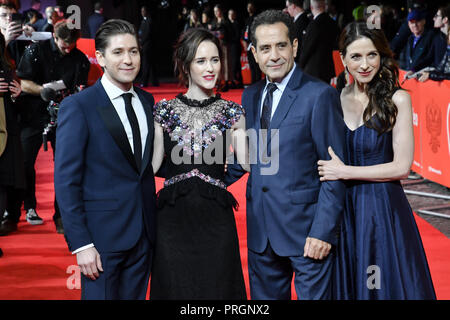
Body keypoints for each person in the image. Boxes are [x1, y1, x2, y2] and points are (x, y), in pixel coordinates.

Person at [225, 10, 346, 300]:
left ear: (294, 46)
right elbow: (251, 155)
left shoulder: (319, 96)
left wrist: (322, 232)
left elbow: (335, 172)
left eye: (281, 45)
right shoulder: (251, 95)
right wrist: (192, 175)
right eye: (265, 48)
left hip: (307, 236)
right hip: (261, 235)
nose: (274, 55)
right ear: (254, 53)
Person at [317, 22, 436, 300]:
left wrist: (345, 171)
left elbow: (402, 167)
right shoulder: (333, 98)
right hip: (344, 209)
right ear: (343, 58)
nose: (365, 64)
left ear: (382, 56)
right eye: (356, 56)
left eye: (372, 55)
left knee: (383, 284)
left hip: (382, 209)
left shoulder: (398, 100)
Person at [54, 19, 157, 300]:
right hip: (101, 241)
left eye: (134, 51)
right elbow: (66, 181)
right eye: (118, 52)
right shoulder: (79, 106)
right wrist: (81, 243)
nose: (128, 60)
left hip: (144, 234)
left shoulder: (148, 101)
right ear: (100, 57)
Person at [149, 28, 248, 299]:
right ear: (185, 64)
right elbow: (153, 165)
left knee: (217, 288)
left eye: (215, 60)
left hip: (216, 218)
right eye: (201, 61)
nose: (210, 68)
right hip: (173, 218)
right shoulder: (164, 110)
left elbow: (248, 163)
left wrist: (213, 179)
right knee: (175, 287)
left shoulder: (233, 112)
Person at [16, 20, 90, 232]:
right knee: (25, 163)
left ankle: (62, 215)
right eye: (64, 44)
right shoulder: (36, 50)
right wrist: (41, 90)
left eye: (72, 45)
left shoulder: (79, 59)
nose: (68, 49)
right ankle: (28, 207)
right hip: (32, 114)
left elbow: (81, 88)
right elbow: (23, 81)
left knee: (64, 168)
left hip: (64, 118)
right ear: (55, 37)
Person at [0, 32, 24, 237]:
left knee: (5, 183)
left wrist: (17, 95)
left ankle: (9, 217)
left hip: (8, 132)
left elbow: (17, 109)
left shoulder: (9, 69)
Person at [298, 0, 339, 83]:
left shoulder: (314, 25)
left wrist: (299, 66)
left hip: (313, 70)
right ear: (324, 6)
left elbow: (307, 48)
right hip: (327, 68)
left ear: (311, 7)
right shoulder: (333, 23)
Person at [402, 9, 447, 75]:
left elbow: (434, 62)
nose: (415, 25)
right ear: (408, 24)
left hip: (435, 79)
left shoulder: (433, 37)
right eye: (412, 22)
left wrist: (430, 74)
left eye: (417, 21)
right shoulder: (409, 39)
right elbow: (428, 59)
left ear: (424, 21)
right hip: (416, 77)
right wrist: (413, 70)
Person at [136, 5, 158, 87]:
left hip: (147, 46)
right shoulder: (143, 21)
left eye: (143, 11)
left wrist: (141, 43)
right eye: (141, 11)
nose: (142, 13)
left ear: (146, 12)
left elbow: (147, 34)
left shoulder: (149, 21)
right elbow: (141, 33)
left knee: (146, 64)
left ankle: (144, 82)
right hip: (145, 45)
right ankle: (154, 82)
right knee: (150, 65)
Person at [242, 1, 261, 84]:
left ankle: (258, 82)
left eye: (251, 6)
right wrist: (244, 40)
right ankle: (253, 82)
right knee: (251, 66)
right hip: (248, 45)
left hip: (254, 44)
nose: (249, 8)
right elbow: (244, 32)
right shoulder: (247, 19)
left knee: (256, 65)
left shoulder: (257, 18)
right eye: (248, 7)